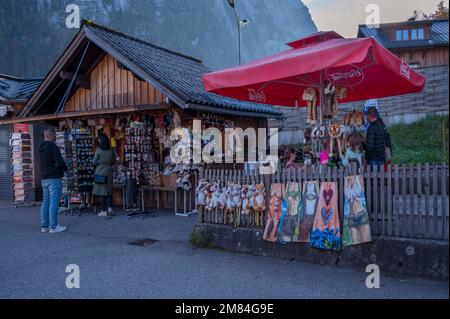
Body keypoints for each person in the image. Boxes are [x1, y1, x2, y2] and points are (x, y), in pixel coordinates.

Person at [39, 128, 68, 233]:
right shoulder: (53, 147)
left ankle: (44, 226)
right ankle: (54, 226)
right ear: (51, 136)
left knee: (45, 202)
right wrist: (65, 168)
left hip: (44, 178)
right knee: (54, 202)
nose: (56, 137)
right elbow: (59, 162)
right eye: (55, 135)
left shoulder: (40, 147)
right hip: (54, 178)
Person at [93, 133, 116, 217]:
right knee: (109, 191)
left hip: (100, 172)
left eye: (99, 139)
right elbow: (114, 161)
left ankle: (103, 210)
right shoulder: (111, 150)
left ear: (101, 140)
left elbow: (94, 162)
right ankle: (110, 208)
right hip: (109, 172)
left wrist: (100, 163)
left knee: (102, 192)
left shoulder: (98, 150)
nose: (98, 140)